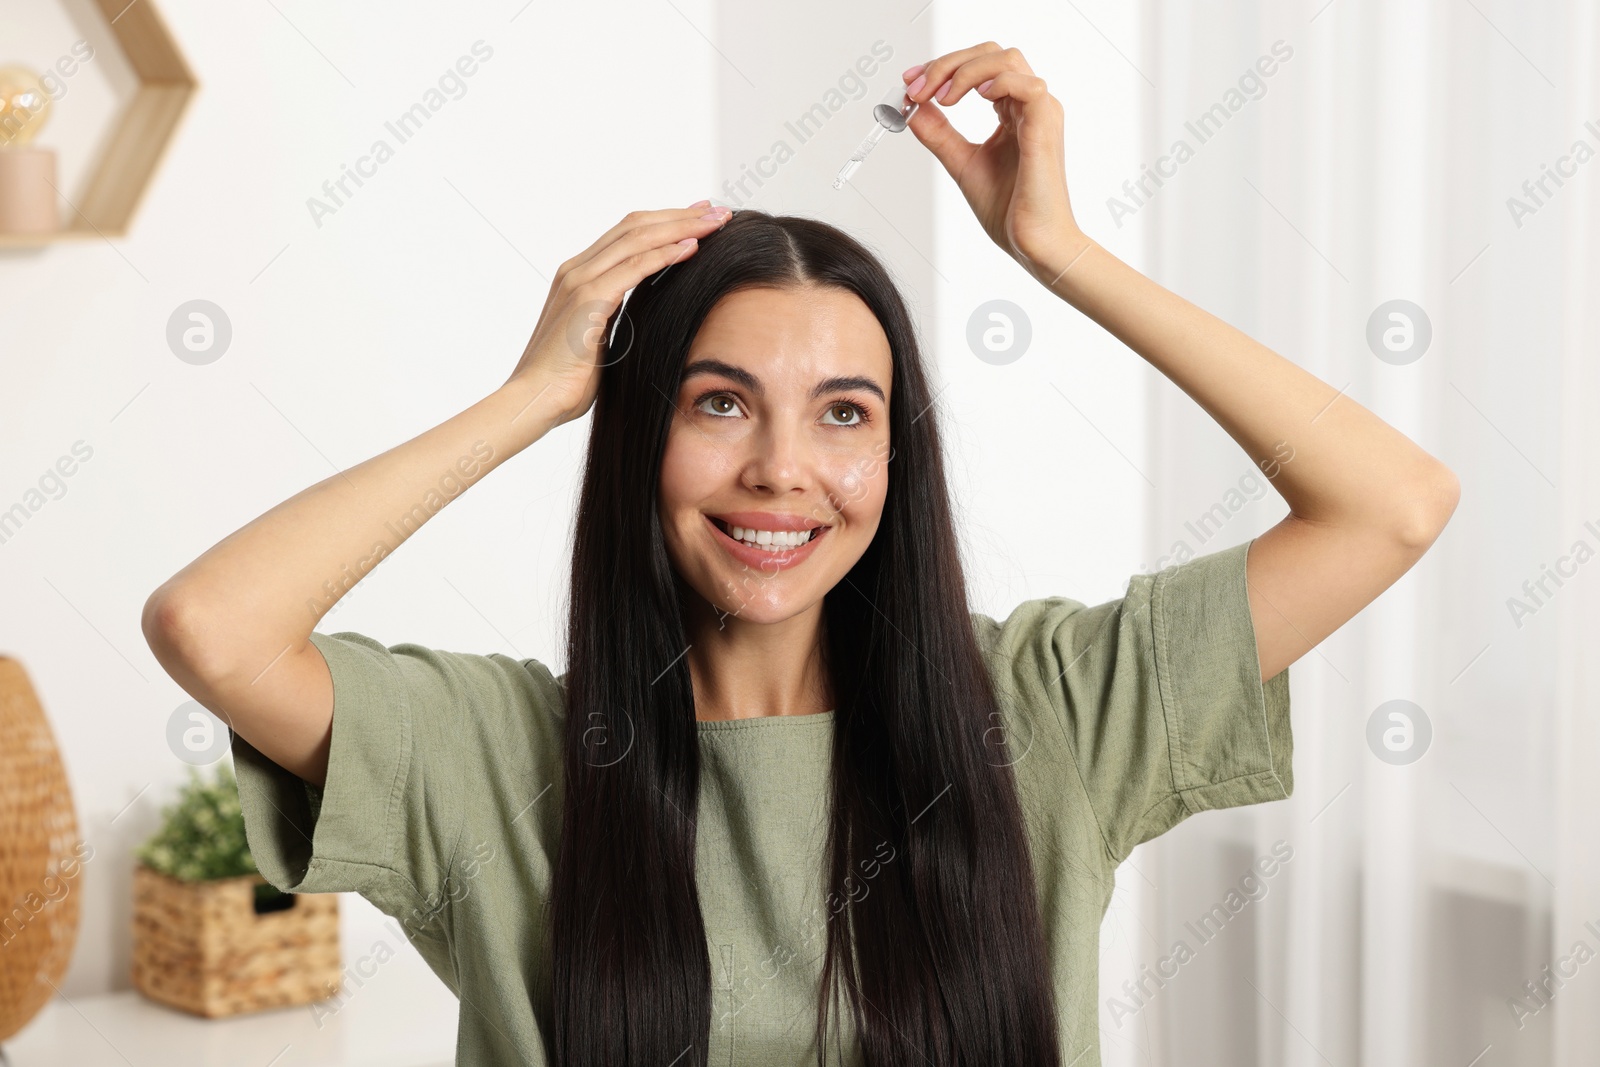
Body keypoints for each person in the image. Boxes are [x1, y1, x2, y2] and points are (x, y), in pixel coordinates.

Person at [141, 41, 1458, 1067]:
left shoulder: (1047, 714)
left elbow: (1389, 503)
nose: (783, 468)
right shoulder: (496, 760)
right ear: (641, 438)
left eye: (845, 414)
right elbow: (212, 626)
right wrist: (533, 396)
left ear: (897, 458)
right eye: (720, 404)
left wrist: (1059, 253)